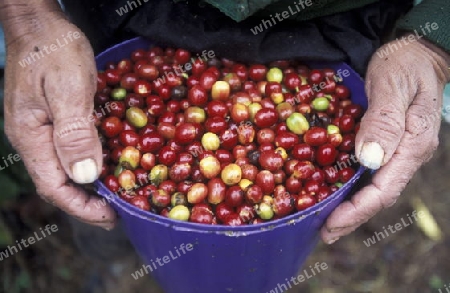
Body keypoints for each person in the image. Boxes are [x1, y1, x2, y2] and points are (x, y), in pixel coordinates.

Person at [0, 0, 448, 260]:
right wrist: (28, 16)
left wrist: (435, 41)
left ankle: (270, 267)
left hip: (339, 29)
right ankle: (118, 259)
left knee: (294, 234)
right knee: (97, 195)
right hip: (121, 12)